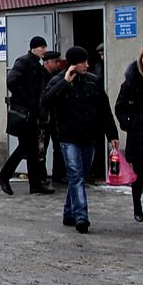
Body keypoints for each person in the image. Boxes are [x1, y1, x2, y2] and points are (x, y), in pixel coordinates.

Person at [42, 46, 120, 234]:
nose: (87, 65)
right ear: (73, 64)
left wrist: (112, 134)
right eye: (82, 62)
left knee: (81, 176)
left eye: (87, 61)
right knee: (76, 175)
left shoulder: (93, 81)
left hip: (89, 137)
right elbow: (45, 103)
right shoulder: (58, 81)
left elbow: (104, 109)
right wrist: (65, 82)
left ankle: (69, 213)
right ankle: (81, 217)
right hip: (68, 137)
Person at [0, 36, 54, 195]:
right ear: (33, 48)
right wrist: (27, 100)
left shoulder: (36, 64)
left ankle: (35, 184)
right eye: (41, 47)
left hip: (33, 113)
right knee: (26, 147)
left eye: (45, 47)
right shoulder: (23, 62)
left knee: (32, 150)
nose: (44, 50)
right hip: (24, 113)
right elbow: (12, 81)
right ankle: (4, 176)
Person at [114, 44, 143, 223]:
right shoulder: (131, 82)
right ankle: (137, 205)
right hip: (139, 134)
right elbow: (120, 107)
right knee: (139, 174)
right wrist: (130, 124)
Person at [38, 50, 67, 186]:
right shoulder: (40, 75)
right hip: (43, 118)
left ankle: (58, 174)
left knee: (58, 146)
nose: (58, 64)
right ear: (47, 62)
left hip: (55, 117)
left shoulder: (58, 75)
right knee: (41, 148)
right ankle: (41, 176)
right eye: (55, 61)